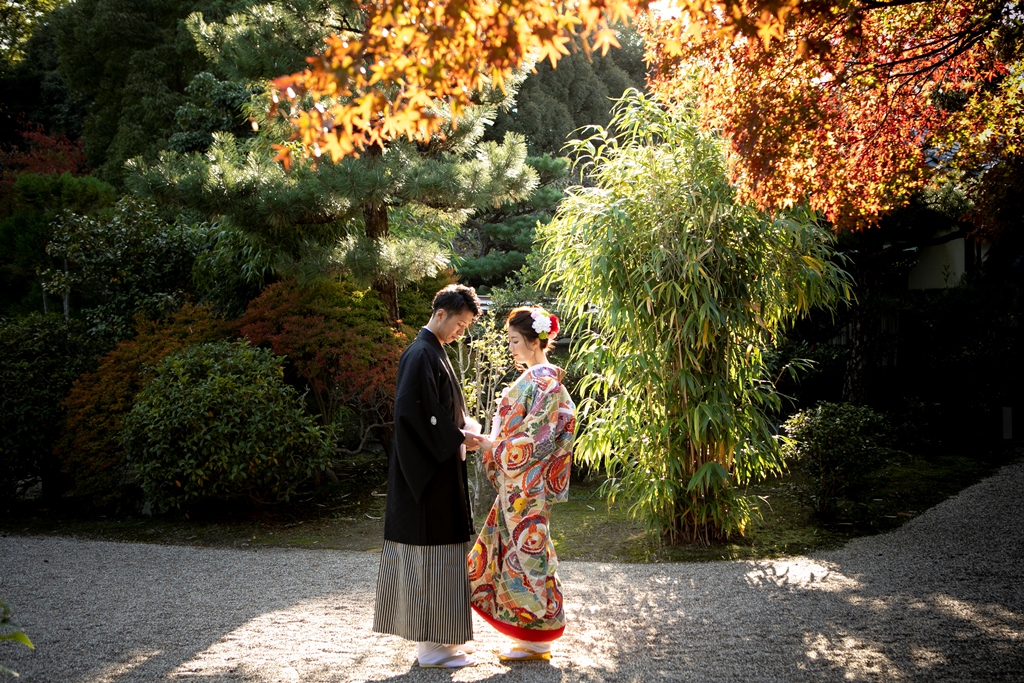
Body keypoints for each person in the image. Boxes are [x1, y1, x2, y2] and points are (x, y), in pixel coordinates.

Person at [372, 284, 486, 669]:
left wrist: (461, 430)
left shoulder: (432, 351)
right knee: (430, 559)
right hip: (425, 479)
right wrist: (458, 437)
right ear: (441, 314)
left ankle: (444, 641)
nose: (461, 332)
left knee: (442, 555)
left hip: (438, 473)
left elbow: (440, 409)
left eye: (466, 326)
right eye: (460, 323)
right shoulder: (421, 353)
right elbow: (415, 416)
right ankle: (432, 648)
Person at [468, 306, 576, 661]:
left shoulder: (541, 381)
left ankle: (537, 637)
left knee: (525, 555)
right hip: (523, 483)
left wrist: (493, 446)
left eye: (515, 341)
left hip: (525, 482)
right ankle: (531, 634)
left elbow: (538, 438)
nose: (511, 347)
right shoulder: (542, 380)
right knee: (520, 552)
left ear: (533, 341)